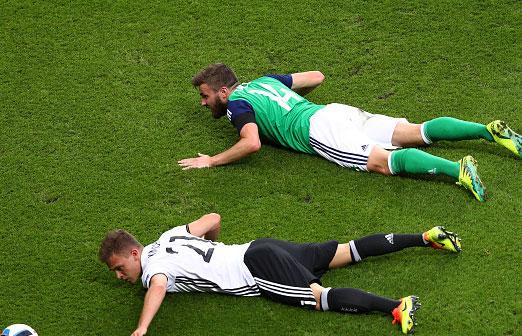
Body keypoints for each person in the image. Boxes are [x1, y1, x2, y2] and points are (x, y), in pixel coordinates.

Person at [98, 213, 462, 336]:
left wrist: (142, 326)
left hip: (257, 269)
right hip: (261, 246)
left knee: (318, 298)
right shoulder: (168, 236)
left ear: (134, 254)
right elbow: (212, 218)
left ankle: (397, 307)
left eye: (118, 268)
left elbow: (159, 285)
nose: (120, 276)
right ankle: (426, 236)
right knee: (346, 251)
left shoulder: (151, 270)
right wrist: (211, 251)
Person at [178, 63, 522, 202]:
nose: (203, 103)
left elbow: (250, 143)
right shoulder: (265, 83)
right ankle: (487, 130)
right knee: (415, 131)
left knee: (382, 162)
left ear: (224, 92)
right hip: (335, 112)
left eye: (205, 96)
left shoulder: (238, 105)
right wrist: (286, 107)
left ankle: (457, 171)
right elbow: (316, 76)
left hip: (321, 130)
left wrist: (212, 160)